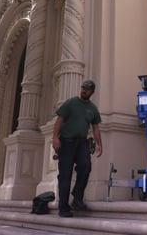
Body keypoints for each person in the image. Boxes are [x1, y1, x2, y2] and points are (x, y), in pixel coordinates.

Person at [52, 80, 102, 217]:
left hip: (82, 143)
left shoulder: (92, 108)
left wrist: (99, 144)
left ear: (92, 92)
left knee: (85, 167)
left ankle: (77, 198)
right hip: (66, 142)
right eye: (83, 88)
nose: (84, 90)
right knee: (65, 175)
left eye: (87, 89)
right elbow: (59, 120)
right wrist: (55, 138)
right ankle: (63, 207)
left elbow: (96, 128)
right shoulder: (71, 103)